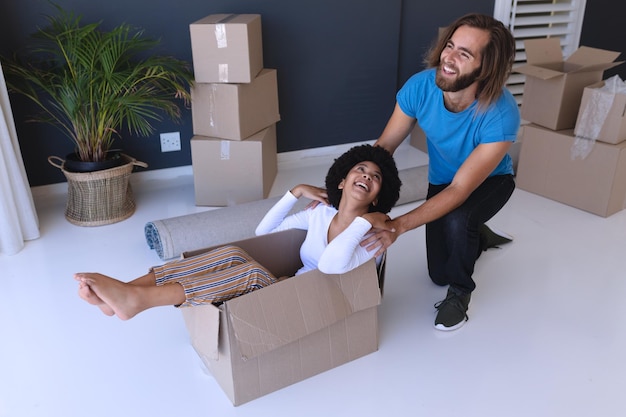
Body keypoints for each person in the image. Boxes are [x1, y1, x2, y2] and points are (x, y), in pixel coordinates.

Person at [75, 144, 402, 320]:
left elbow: (331, 265)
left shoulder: (374, 237)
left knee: (250, 275)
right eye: (360, 169)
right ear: (342, 181)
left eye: (376, 177)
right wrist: (296, 192)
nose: (367, 176)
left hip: (317, 306)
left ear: (377, 196)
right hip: (288, 290)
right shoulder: (320, 215)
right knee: (233, 253)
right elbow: (263, 232)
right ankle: (125, 292)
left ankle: (138, 300)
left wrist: (366, 220)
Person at [364, 13, 520, 331]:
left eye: (464, 54)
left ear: (486, 69)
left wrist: (399, 225)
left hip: (492, 181)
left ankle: (460, 294)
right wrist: (349, 184)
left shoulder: (502, 114)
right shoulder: (421, 87)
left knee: (459, 218)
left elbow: (461, 190)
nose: (448, 58)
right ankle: (478, 237)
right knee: (438, 274)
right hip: (444, 178)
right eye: (450, 46)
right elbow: (384, 148)